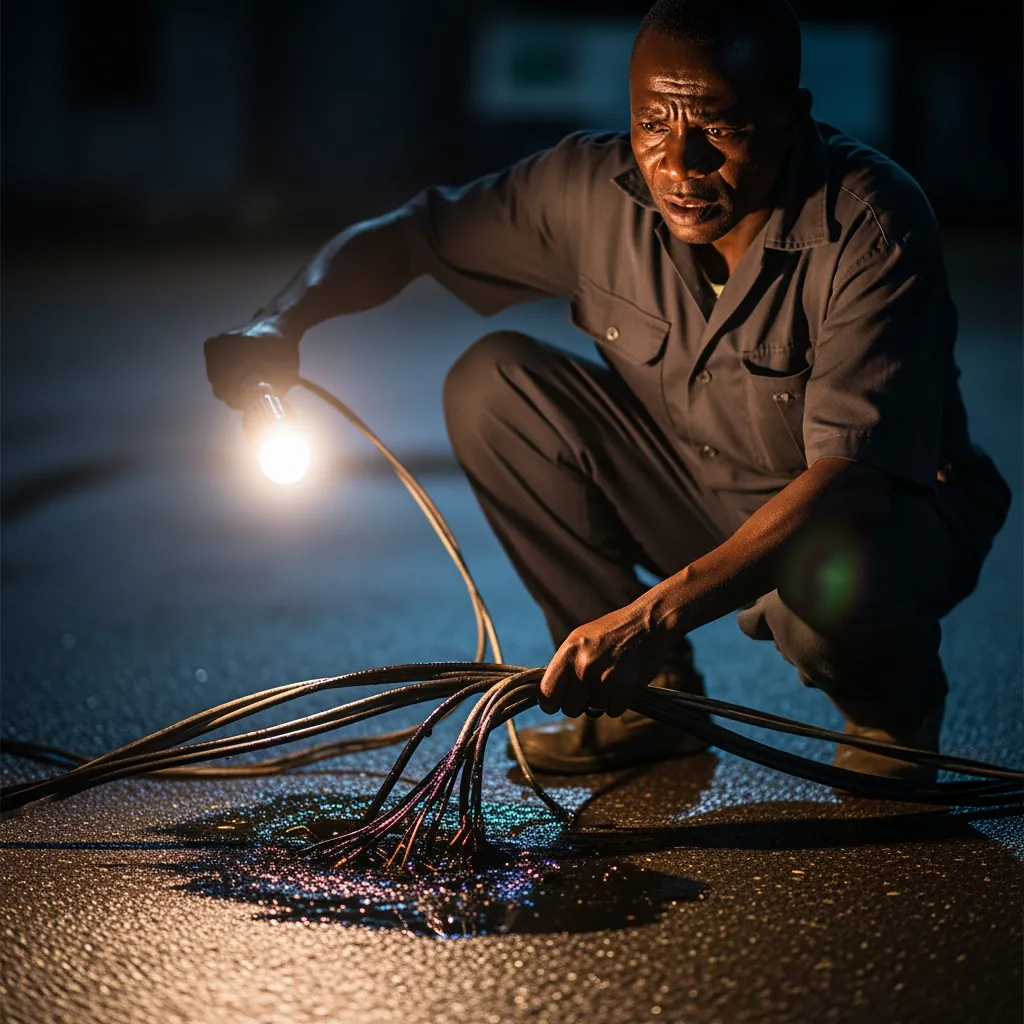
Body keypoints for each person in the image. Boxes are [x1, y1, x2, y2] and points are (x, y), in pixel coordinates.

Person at [205, 0, 1010, 781]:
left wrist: (650, 616)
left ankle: (890, 710)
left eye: (719, 130)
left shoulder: (872, 223)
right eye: (653, 122)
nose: (679, 164)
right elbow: (415, 234)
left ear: (791, 114)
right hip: (704, 490)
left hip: (877, 521)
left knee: (820, 575)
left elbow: (851, 484)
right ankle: (646, 711)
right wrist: (281, 323)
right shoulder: (591, 190)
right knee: (494, 385)